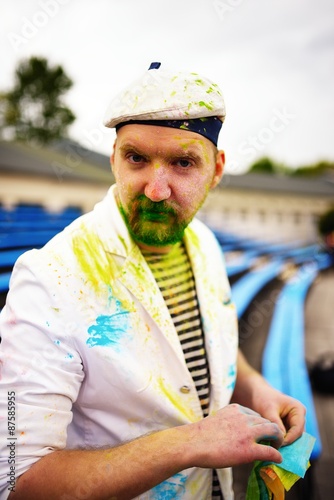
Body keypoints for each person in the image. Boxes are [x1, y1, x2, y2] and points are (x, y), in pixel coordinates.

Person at [0, 62, 305, 500]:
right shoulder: (49, 278)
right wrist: (191, 443)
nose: (156, 189)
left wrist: (255, 388)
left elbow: (210, 341)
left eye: (183, 163)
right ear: (114, 159)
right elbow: (19, 481)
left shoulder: (203, 242)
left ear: (216, 170)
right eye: (137, 158)